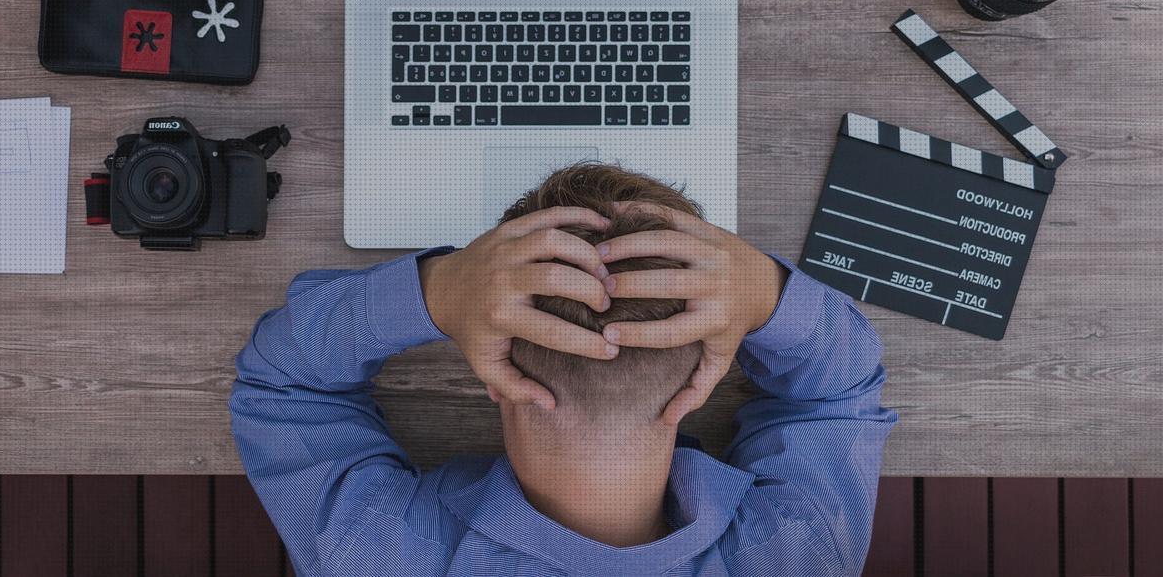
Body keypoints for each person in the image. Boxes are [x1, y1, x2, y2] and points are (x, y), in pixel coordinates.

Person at [231, 163, 896, 576]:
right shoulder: (799, 553)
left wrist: (437, 290)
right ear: (702, 379)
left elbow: (281, 380)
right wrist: (765, 293)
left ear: (493, 377)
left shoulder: (370, 552)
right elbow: (836, 394)